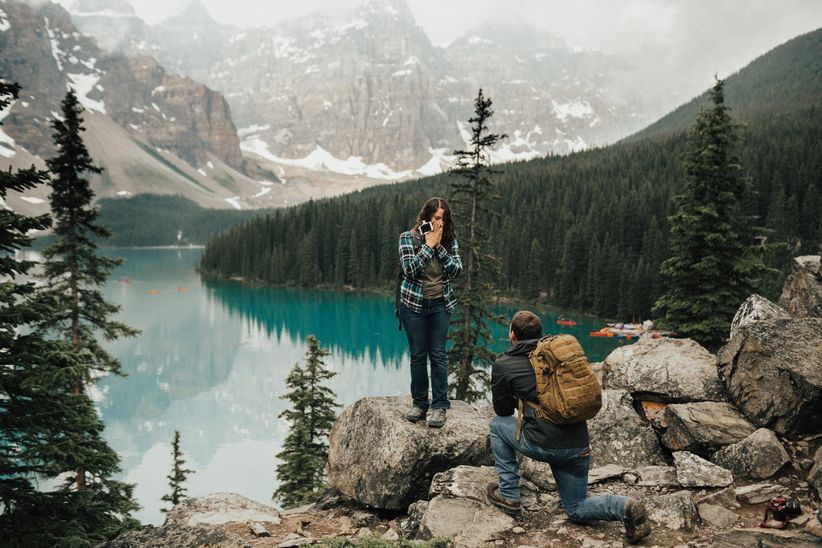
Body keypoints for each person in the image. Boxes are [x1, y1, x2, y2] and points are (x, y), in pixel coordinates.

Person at [487, 310, 651, 544]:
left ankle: (510, 495)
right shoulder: (559, 358)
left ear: (512, 335)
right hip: (577, 447)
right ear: (540, 335)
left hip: (542, 444)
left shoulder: (505, 363)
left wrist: (519, 396)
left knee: (496, 425)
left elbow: (502, 412)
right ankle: (625, 507)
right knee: (576, 508)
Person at [398, 197, 462, 428]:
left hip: (440, 305)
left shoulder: (450, 241)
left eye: (443, 219)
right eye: (436, 218)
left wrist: (439, 248)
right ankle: (420, 403)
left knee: (438, 354)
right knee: (417, 355)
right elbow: (410, 270)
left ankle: (440, 406)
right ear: (426, 217)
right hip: (412, 305)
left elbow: (457, 271)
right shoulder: (408, 237)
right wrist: (427, 246)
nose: (440, 223)